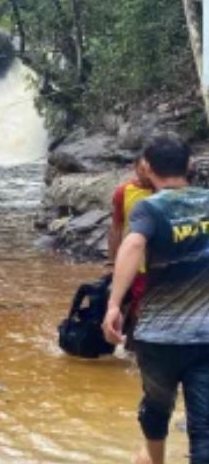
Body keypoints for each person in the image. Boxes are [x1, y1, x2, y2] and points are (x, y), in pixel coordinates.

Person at [102, 134, 209, 464]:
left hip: (157, 336)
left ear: (147, 168)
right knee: (204, 430)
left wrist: (114, 305)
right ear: (190, 164)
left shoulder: (149, 207)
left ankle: (154, 458)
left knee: (156, 410)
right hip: (205, 336)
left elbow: (132, 246)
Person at [108, 155, 154, 340]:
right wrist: (112, 261)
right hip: (134, 261)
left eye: (149, 170)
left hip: (157, 260)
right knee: (137, 305)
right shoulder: (123, 192)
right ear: (134, 168)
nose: (146, 175)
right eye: (142, 170)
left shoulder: (162, 191)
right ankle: (133, 346)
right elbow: (116, 227)